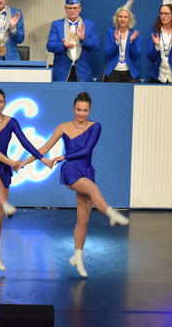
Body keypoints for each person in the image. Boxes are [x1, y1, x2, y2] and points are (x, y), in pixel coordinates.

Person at [30, 92, 129, 277]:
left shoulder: (95, 127)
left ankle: (78, 257)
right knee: (93, 189)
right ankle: (111, 214)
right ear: (73, 108)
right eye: (78, 110)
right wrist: (24, 162)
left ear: (89, 110)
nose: (81, 113)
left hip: (86, 169)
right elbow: (44, 148)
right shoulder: (63, 127)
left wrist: (63, 156)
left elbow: (86, 150)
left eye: (85, 110)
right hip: (71, 170)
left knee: (83, 220)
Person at [0, 87, 54, 271]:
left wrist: (43, 159)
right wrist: (12, 162)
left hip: (3, 167)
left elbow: (26, 143)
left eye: (1, 102)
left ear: (5, 103)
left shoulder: (11, 122)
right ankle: (6, 204)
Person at [47, 0, 100, 81]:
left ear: (80, 8)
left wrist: (84, 39)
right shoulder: (57, 24)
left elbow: (97, 46)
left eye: (75, 8)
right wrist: (63, 45)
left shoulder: (89, 25)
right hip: (62, 72)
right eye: (69, 8)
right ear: (65, 9)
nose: (72, 11)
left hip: (83, 72)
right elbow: (50, 46)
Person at [104, 0, 140, 83]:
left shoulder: (135, 33)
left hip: (130, 72)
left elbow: (136, 55)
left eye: (125, 17)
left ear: (129, 19)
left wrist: (131, 41)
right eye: (120, 16)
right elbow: (107, 54)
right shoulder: (111, 32)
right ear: (116, 18)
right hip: (113, 71)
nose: (122, 19)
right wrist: (116, 42)